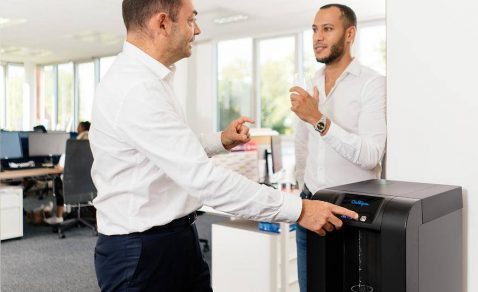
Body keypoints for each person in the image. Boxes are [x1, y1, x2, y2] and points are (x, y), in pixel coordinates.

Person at [90, 0, 359, 291]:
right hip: (141, 254)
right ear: (163, 23)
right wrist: (300, 210)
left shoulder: (150, 81)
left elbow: (171, 149)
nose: (198, 29)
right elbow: (203, 179)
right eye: (191, 19)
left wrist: (220, 140)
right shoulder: (136, 88)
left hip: (174, 240)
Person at [290, 4, 387, 292]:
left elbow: (372, 155)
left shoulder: (372, 84)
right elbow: (301, 144)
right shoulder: (312, 83)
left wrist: (318, 119)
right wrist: (301, 187)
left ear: (349, 34)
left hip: (351, 213)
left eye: (328, 29)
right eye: (315, 29)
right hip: (309, 205)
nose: (318, 37)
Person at [44, 121, 91, 225]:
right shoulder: (94, 152)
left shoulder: (70, 151)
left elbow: (59, 169)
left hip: (70, 188)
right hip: (89, 189)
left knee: (57, 179)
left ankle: (59, 216)